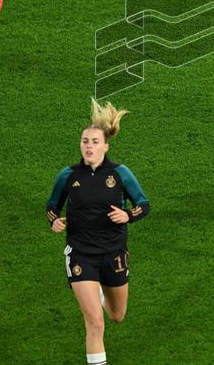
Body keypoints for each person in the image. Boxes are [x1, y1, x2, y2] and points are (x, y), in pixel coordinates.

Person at [46, 99, 150, 365]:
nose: (88, 146)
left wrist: (128, 215)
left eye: (94, 142)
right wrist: (54, 221)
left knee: (117, 315)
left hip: (113, 252)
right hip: (81, 254)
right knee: (95, 323)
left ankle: (102, 292)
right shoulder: (68, 176)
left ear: (106, 146)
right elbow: (52, 206)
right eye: (85, 141)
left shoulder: (120, 173)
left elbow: (143, 205)